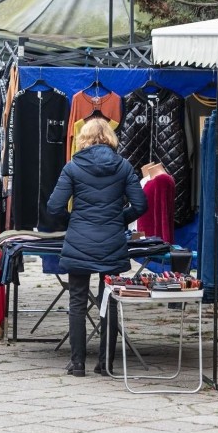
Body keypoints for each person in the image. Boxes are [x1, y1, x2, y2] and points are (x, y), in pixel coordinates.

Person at [47, 118, 147, 377]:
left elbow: (54, 207)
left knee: (77, 301)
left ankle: (77, 363)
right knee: (110, 300)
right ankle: (106, 364)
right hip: (112, 241)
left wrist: (75, 221)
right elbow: (140, 205)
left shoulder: (73, 167)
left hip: (79, 240)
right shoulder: (124, 167)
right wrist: (117, 219)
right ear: (110, 138)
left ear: (84, 138)